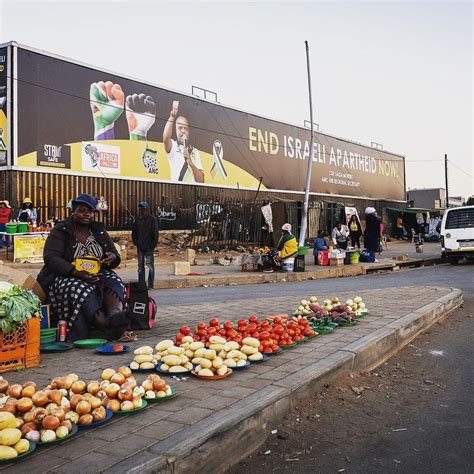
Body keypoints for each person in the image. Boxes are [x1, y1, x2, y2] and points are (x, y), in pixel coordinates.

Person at [37, 194, 131, 342]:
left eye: (90, 211)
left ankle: (114, 315)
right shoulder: (61, 230)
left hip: (97, 272)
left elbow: (114, 254)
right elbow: (51, 258)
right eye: (82, 210)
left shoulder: (98, 230)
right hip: (67, 275)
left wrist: (112, 258)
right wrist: (75, 272)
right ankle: (106, 327)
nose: (86, 213)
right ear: (73, 212)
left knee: (114, 281)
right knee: (80, 288)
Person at [163, 100, 204, 183]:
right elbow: (165, 138)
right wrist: (172, 116)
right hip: (175, 193)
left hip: (192, 193)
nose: (183, 131)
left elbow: (201, 180)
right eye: (180, 128)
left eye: (185, 128)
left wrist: (190, 162)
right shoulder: (173, 146)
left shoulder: (195, 152)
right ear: (176, 131)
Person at [132, 201, 159, 289]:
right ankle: (141, 284)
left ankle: (150, 284)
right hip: (140, 247)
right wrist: (136, 242)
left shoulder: (152, 219)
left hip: (149, 247)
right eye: (140, 209)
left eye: (143, 208)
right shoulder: (138, 220)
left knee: (150, 266)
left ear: (147, 209)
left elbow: (155, 233)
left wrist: (153, 245)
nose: (142, 210)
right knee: (140, 267)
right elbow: (134, 232)